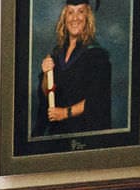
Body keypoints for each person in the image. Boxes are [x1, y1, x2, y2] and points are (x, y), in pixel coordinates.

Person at [35, 0, 112, 137]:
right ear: (64, 18)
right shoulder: (57, 53)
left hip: (84, 132)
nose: (75, 18)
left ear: (87, 17)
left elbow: (98, 99)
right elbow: (46, 93)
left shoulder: (97, 55)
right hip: (59, 133)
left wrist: (65, 113)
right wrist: (47, 74)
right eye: (70, 12)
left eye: (80, 12)